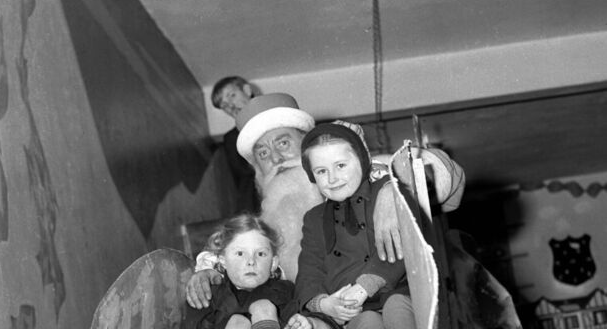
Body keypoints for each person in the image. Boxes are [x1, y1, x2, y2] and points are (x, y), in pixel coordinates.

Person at [186, 92, 465, 308]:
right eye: (263, 153)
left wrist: (394, 190)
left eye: (283, 143)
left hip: (391, 305)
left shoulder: (362, 175)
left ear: (308, 145)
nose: (276, 158)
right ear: (257, 170)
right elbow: (230, 253)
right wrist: (206, 272)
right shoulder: (263, 228)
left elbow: (449, 179)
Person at [295, 120, 421, 329]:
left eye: (341, 165)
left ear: (363, 162)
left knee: (397, 308)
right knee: (367, 324)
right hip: (353, 309)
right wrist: (323, 303)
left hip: (395, 290)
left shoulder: (385, 195)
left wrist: (365, 286)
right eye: (321, 171)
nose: (332, 178)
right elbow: (309, 271)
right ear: (312, 177)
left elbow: (403, 248)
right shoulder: (314, 219)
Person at [184, 212, 338, 329]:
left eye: (261, 254)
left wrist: (307, 323)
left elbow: (311, 318)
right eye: (240, 253)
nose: (251, 261)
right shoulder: (209, 294)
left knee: (273, 314)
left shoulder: (285, 291)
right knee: (237, 322)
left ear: (273, 263)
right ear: (222, 260)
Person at [211, 76, 260, 213]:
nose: (231, 106)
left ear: (247, 90)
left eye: (232, 95)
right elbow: (244, 175)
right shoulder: (232, 139)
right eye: (224, 106)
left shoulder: (279, 117)